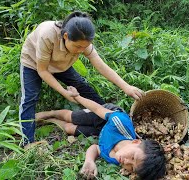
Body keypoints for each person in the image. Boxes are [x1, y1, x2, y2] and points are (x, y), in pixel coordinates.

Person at [19, 11, 144, 145]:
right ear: (66, 36)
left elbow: (101, 66)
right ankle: (27, 142)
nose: (81, 50)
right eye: (78, 46)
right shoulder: (47, 35)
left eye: (84, 47)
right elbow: (42, 71)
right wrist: (63, 92)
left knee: (83, 87)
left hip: (62, 64)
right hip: (33, 63)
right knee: (30, 98)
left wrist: (126, 87)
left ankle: (102, 119)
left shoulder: (82, 42)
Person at [61, 86, 165, 180]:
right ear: (135, 142)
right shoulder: (120, 122)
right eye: (133, 157)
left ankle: (51, 120)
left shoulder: (115, 159)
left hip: (102, 133)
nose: (127, 162)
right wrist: (77, 97)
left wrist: (89, 161)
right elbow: (97, 109)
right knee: (70, 117)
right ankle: (48, 114)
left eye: (132, 167)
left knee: (68, 128)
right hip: (107, 117)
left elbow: (96, 148)